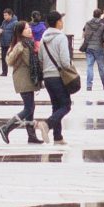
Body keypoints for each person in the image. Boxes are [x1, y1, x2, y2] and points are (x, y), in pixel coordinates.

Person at [0, 20, 43, 144]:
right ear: (20, 32)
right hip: (23, 79)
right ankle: (6, 127)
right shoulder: (21, 45)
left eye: (29, 27)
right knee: (28, 108)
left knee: (31, 108)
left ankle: (31, 136)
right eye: (26, 28)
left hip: (28, 79)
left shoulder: (28, 43)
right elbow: (13, 61)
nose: (29, 30)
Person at [37, 12, 75, 144]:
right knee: (66, 105)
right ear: (58, 22)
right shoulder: (61, 38)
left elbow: (40, 58)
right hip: (59, 77)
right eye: (61, 20)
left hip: (48, 77)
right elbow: (65, 61)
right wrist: (71, 66)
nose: (62, 23)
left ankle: (57, 137)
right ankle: (47, 124)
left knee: (56, 106)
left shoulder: (43, 38)